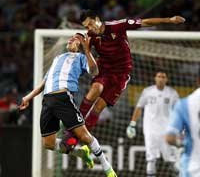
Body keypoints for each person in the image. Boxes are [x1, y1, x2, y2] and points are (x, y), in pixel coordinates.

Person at [19, 33, 117, 177]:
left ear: (81, 45)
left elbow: (94, 71)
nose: (71, 39)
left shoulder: (81, 58)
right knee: (48, 144)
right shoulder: (57, 58)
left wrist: (87, 50)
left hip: (62, 98)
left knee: (84, 136)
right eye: (71, 37)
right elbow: (44, 82)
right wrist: (28, 97)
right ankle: (80, 153)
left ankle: (107, 167)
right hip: (47, 100)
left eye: (76, 39)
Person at [77, 9, 185, 133]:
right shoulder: (90, 35)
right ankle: (73, 128)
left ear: (97, 19)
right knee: (96, 88)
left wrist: (169, 20)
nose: (90, 28)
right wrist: (76, 43)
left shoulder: (117, 26)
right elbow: (81, 46)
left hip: (121, 73)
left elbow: (144, 22)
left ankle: (79, 136)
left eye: (90, 23)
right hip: (105, 69)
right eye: (86, 26)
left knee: (99, 107)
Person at [126, 70, 180, 177]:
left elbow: (179, 111)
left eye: (163, 77)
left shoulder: (172, 93)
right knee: (151, 159)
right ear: (155, 78)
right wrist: (132, 124)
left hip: (167, 132)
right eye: (159, 76)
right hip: (150, 131)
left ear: (166, 79)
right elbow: (139, 107)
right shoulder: (147, 91)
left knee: (173, 161)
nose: (161, 79)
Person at [166, 83, 200, 176]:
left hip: (192, 168)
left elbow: (169, 138)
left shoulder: (184, 104)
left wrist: (181, 143)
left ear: (197, 81)